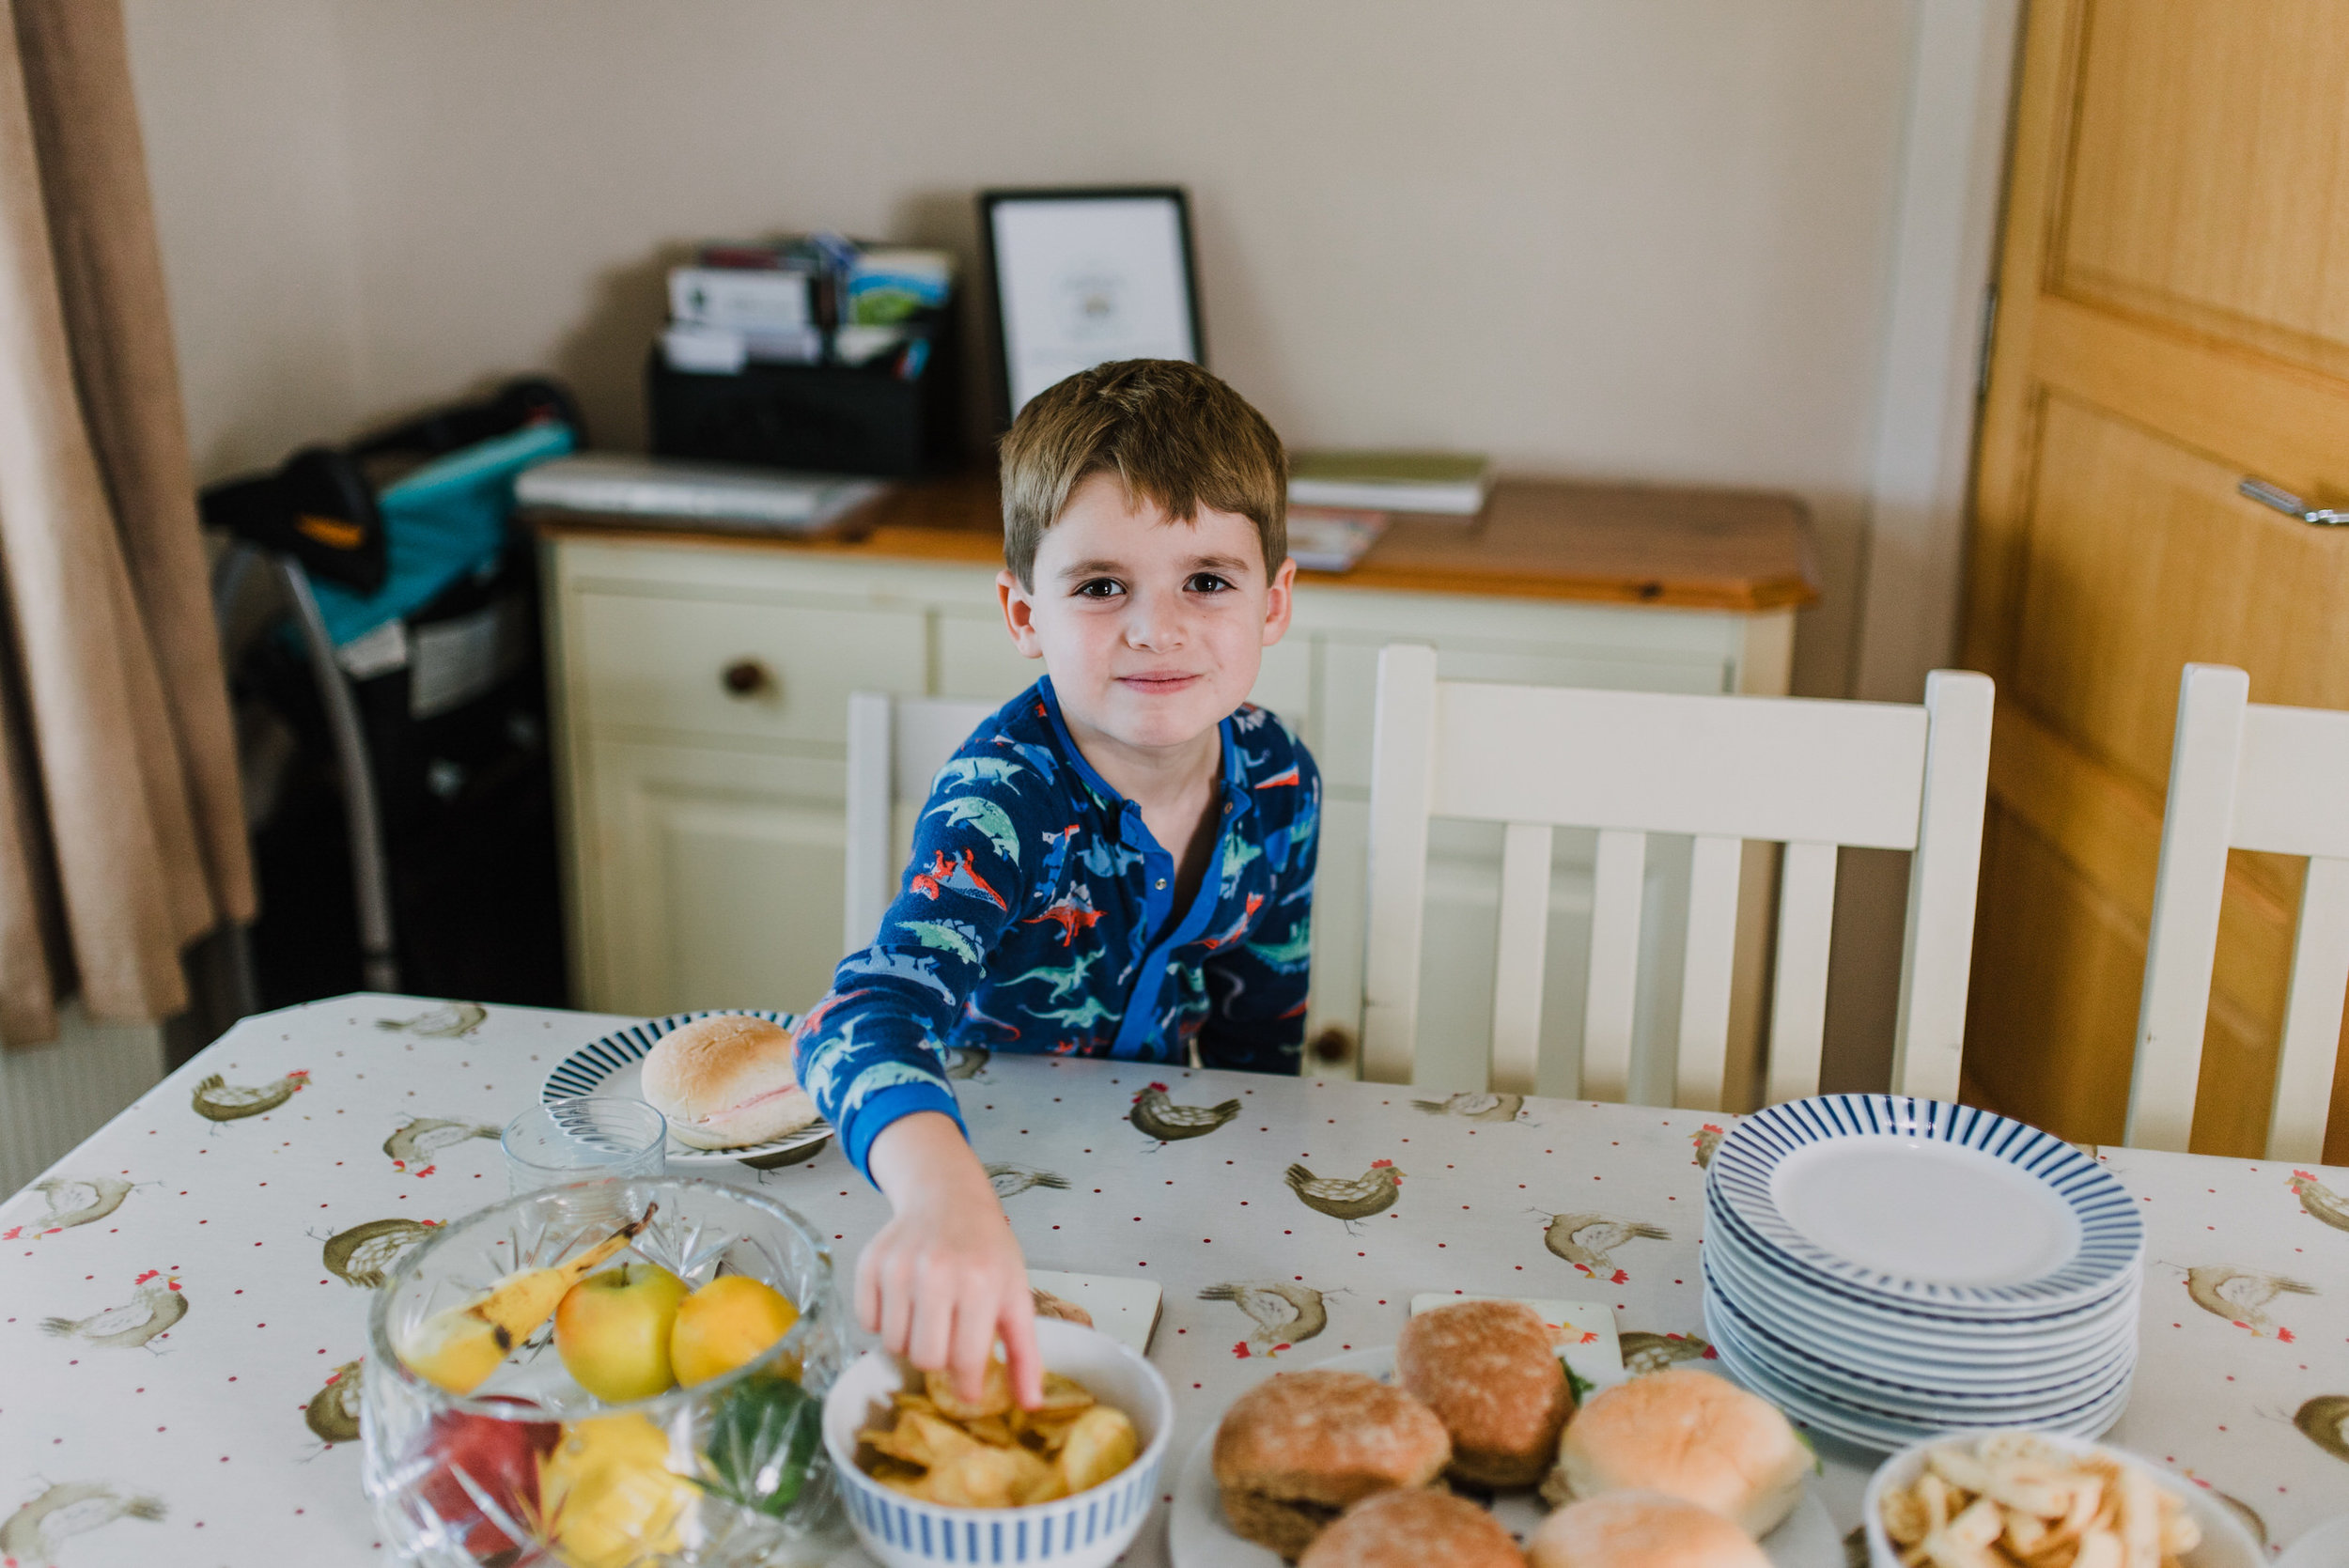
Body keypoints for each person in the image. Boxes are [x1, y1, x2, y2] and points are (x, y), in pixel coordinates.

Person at [794, 358, 1319, 1407]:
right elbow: (852, 1017)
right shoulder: (1003, 797)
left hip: (1163, 1193)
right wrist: (943, 1197)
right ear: (1023, 611)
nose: (1154, 627)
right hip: (969, 1194)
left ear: (1273, 602)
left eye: (1206, 580)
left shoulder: (1278, 779)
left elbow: (1261, 1051)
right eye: (1099, 586)